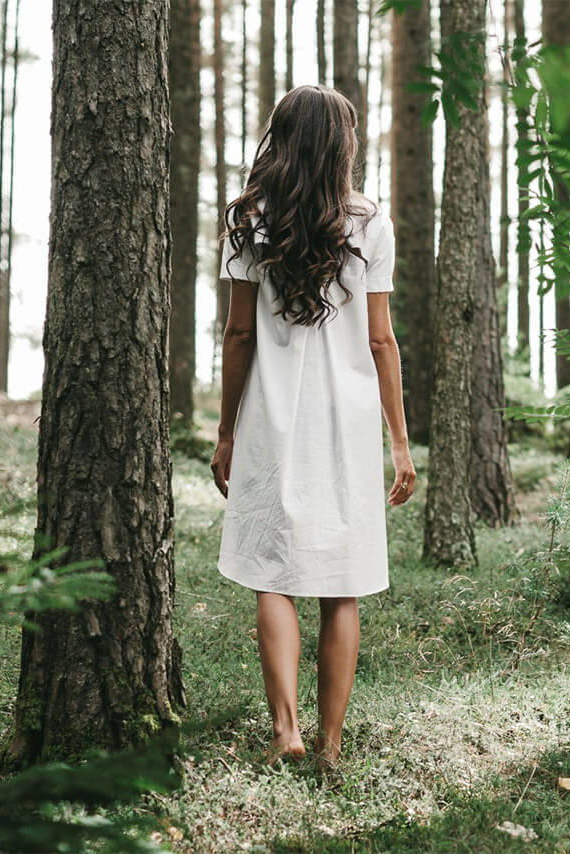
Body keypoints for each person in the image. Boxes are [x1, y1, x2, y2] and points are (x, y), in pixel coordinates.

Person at [210, 85, 417, 771]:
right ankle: (330, 744)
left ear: (282, 138)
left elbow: (239, 332)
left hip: (272, 415)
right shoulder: (371, 225)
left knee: (273, 573)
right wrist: (399, 441)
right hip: (350, 423)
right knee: (341, 583)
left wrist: (225, 432)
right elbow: (382, 342)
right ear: (342, 144)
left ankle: (285, 732)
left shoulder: (251, 222)